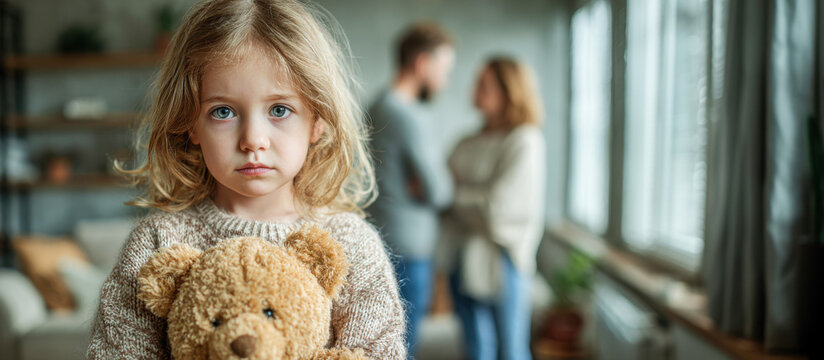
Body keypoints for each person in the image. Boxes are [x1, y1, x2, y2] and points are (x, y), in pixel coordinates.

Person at [86, 0, 405, 358]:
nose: (253, 138)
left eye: (279, 110)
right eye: (223, 111)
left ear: (318, 120)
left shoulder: (350, 246)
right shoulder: (158, 242)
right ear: (191, 122)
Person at [438, 57, 546, 360]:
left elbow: (498, 209)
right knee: (475, 349)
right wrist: (465, 197)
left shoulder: (525, 140)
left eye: (483, 84)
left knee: (511, 350)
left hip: (504, 260)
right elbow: (438, 191)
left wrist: (455, 196)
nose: (474, 90)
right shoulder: (467, 141)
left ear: (508, 90)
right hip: (461, 256)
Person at [366, 22, 456, 358]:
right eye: (443, 68)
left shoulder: (375, 105)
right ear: (421, 63)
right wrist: (438, 184)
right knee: (406, 343)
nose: (445, 80)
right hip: (411, 244)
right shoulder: (409, 115)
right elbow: (440, 191)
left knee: (382, 337)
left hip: (380, 232)